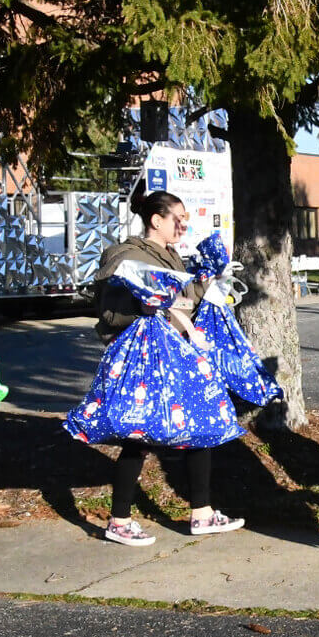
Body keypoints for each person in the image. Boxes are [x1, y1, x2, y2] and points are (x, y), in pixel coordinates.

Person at [90, 186, 244, 546]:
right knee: (137, 436)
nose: (183, 227)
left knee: (199, 428)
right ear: (156, 220)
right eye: (178, 219)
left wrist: (211, 282)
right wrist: (143, 309)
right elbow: (110, 313)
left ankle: (202, 513)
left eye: (186, 220)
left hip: (179, 355)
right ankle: (119, 520)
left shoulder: (173, 257)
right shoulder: (124, 256)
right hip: (145, 361)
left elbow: (187, 301)